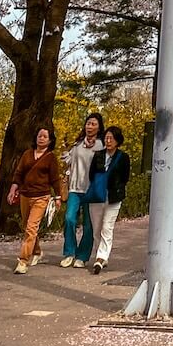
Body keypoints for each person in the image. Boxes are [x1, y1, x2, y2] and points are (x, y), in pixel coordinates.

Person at [8, 126, 61, 274]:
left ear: (50, 140)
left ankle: (23, 260)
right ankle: (37, 251)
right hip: (25, 194)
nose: (41, 138)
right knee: (27, 227)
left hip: (41, 196)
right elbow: (18, 173)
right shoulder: (27, 154)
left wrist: (58, 197)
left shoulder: (51, 157)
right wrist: (13, 189)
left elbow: (55, 179)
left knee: (31, 228)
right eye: (39, 135)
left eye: (45, 136)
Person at [61, 112, 105, 267]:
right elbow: (69, 160)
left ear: (99, 127)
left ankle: (82, 256)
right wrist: (65, 153)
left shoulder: (101, 145)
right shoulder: (78, 144)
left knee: (89, 224)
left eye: (93, 124)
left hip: (91, 190)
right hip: (75, 188)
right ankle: (69, 252)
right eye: (88, 123)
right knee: (69, 218)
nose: (90, 126)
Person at [88, 126, 130, 275]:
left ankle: (101, 257)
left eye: (111, 138)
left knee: (107, 227)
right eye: (106, 137)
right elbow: (91, 174)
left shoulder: (123, 157)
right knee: (97, 229)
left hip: (114, 196)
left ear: (118, 140)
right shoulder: (98, 155)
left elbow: (125, 177)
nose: (108, 140)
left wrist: (114, 186)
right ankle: (101, 254)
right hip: (97, 196)